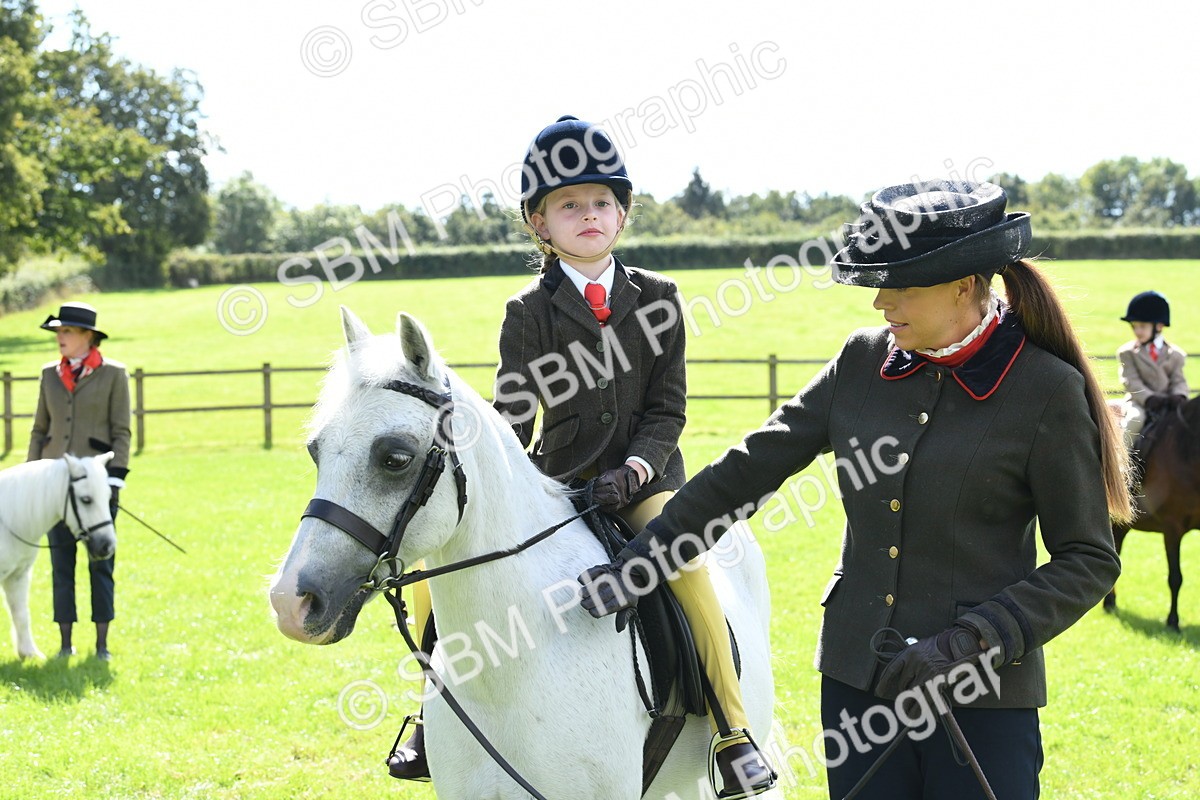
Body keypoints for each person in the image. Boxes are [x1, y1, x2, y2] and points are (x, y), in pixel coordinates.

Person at [578, 180, 1130, 799]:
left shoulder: (1045, 391)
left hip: (985, 696)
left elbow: (1087, 560)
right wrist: (646, 558)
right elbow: (751, 466)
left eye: (902, 285)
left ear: (964, 285)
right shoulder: (861, 361)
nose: (880, 304)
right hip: (857, 686)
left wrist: (974, 640)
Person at [387, 116, 776, 798]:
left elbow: (668, 410)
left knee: (689, 572)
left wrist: (636, 469)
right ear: (541, 223)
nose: (588, 214)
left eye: (601, 202)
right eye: (570, 204)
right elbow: (513, 415)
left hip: (646, 481)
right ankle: (429, 712)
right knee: (434, 567)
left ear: (621, 213)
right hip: (558, 481)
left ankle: (732, 728)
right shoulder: (526, 312)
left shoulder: (660, 298)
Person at [28, 302, 131, 660]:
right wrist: (32, 476)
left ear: (87, 336)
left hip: (97, 487)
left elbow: (122, 432)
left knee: (101, 564)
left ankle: (101, 645)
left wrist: (116, 480)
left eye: (67, 331)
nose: (60, 338)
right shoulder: (48, 374)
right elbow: (40, 430)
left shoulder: (114, 374)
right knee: (61, 565)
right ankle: (65, 644)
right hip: (55, 488)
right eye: (58, 332)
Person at [1113, 291, 1189, 455]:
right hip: (1140, 403)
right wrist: (1149, 398)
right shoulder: (1127, 353)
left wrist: (1179, 395)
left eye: (1142, 326)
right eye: (1135, 326)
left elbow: (1179, 381)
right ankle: (1122, 464)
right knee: (1135, 420)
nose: (1137, 331)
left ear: (1159, 326)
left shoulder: (1176, 354)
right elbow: (1131, 381)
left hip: (1168, 403)